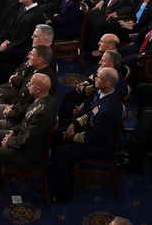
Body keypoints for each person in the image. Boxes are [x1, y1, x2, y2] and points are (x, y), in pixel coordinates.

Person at [0, 73, 57, 209]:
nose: (28, 86)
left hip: (28, 154)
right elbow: (27, 123)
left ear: (38, 89)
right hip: (24, 141)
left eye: (31, 84)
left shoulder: (42, 111)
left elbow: (28, 141)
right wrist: (13, 131)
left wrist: (9, 141)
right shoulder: (43, 100)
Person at [49, 66, 124, 203]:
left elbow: (92, 137)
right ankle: (57, 172)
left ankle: (61, 193)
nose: (95, 78)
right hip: (91, 133)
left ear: (107, 83)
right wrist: (74, 125)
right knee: (56, 134)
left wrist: (71, 137)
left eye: (99, 77)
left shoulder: (109, 108)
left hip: (99, 145)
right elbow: (90, 113)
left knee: (61, 153)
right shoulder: (102, 93)